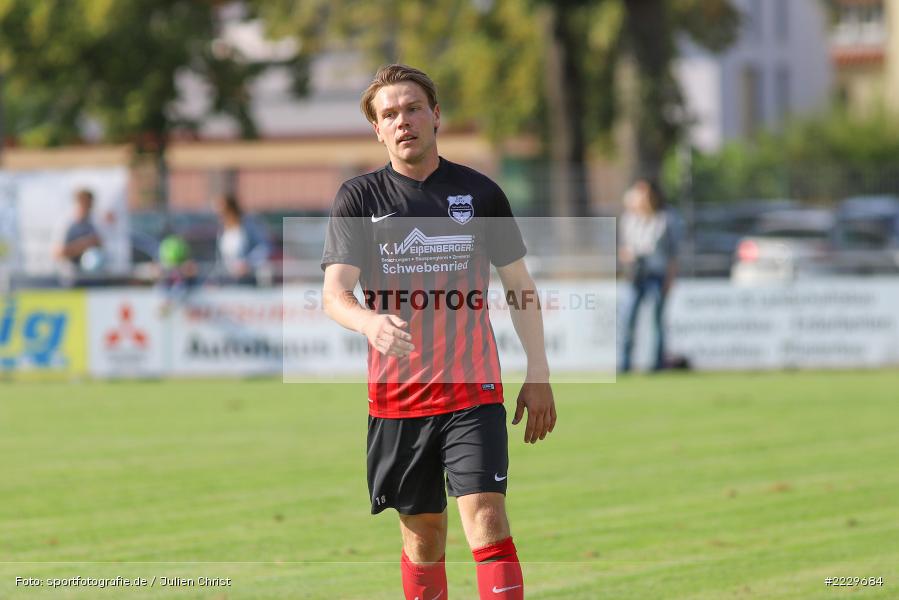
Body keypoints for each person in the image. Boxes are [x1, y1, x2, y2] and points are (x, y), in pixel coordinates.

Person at [321, 64, 556, 600]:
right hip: (398, 400)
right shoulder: (358, 200)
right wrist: (370, 321)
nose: (402, 121)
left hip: (473, 392)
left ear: (435, 116)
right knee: (423, 537)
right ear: (377, 130)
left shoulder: (480, 193)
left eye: (412, 108)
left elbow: (519, 285)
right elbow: (335, 295)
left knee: (487, 520)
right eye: (389, 114)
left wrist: (538, 371)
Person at [618, 178, 678, 372]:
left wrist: (670, 279)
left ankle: (658, 364)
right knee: (628, 320)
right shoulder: (629, 219)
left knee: (657, 321)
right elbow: (623, 248)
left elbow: (672, 253)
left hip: (657, 274)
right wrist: (627, 256)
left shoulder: (665, 218)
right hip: (636, 276)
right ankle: (625, 364)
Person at [215, 194, 271, 285]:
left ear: (231, 210)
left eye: (223, 211)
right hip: (228, 281)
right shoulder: (222, 231)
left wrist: (248, 263)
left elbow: (264, 247)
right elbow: (220, 259)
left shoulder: (249, 226)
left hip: (248, 279)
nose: (220, 215)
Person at [52, 188, 103, 268]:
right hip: (71, 274)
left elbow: (102, 245)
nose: (87, 208)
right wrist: (85, 244)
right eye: (84, 204)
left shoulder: (95, 222)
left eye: (89, 205)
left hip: (93, 275)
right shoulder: (66, 223)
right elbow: (57, 253)